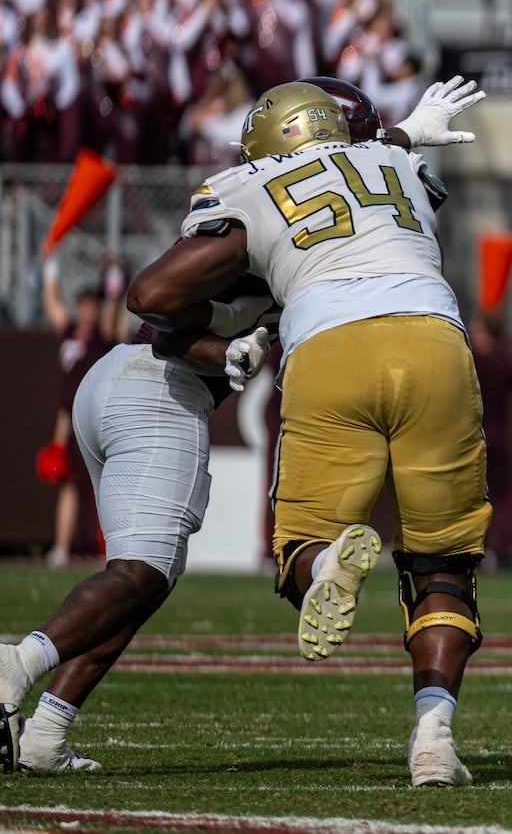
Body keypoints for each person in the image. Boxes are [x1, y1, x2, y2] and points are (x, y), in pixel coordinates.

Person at [122, 75, 489, 787]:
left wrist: (228, 317)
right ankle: (434, 739)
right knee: (443, 563)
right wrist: (408, 129)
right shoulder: (395, 160)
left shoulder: (248, 181)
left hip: (328, 341)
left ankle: (328, 568)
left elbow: (152, 294)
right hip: (435, 336)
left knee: (300, 545)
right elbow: (379, 153)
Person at [0, 289, 274, 773]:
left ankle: (46, 733)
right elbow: (160, 308)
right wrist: (225, 350)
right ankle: (18, 664)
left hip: (116, 379)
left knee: (137, 583)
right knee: (142, 574)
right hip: (160, 391)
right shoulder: (262, 231)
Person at [42, 256, 129, 568]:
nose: (88, 310)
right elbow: (51, 302)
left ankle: (109, 551)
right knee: (68, 485)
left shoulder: (103, 337)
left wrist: (114, 276)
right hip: (70, 423)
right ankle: (61, 548)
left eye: (94, 304)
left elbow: (116, 311)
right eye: (84, 304)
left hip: (97, 420)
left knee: (102, 486)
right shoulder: (70, 334)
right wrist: (51, 257)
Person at [472, 311, 512, 569]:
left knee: (475, 495)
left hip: (477, 436)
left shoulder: (477, 362)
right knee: (502, 495)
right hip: (500, 436)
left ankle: (478, 546)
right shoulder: (506, 361)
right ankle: (510, 545)